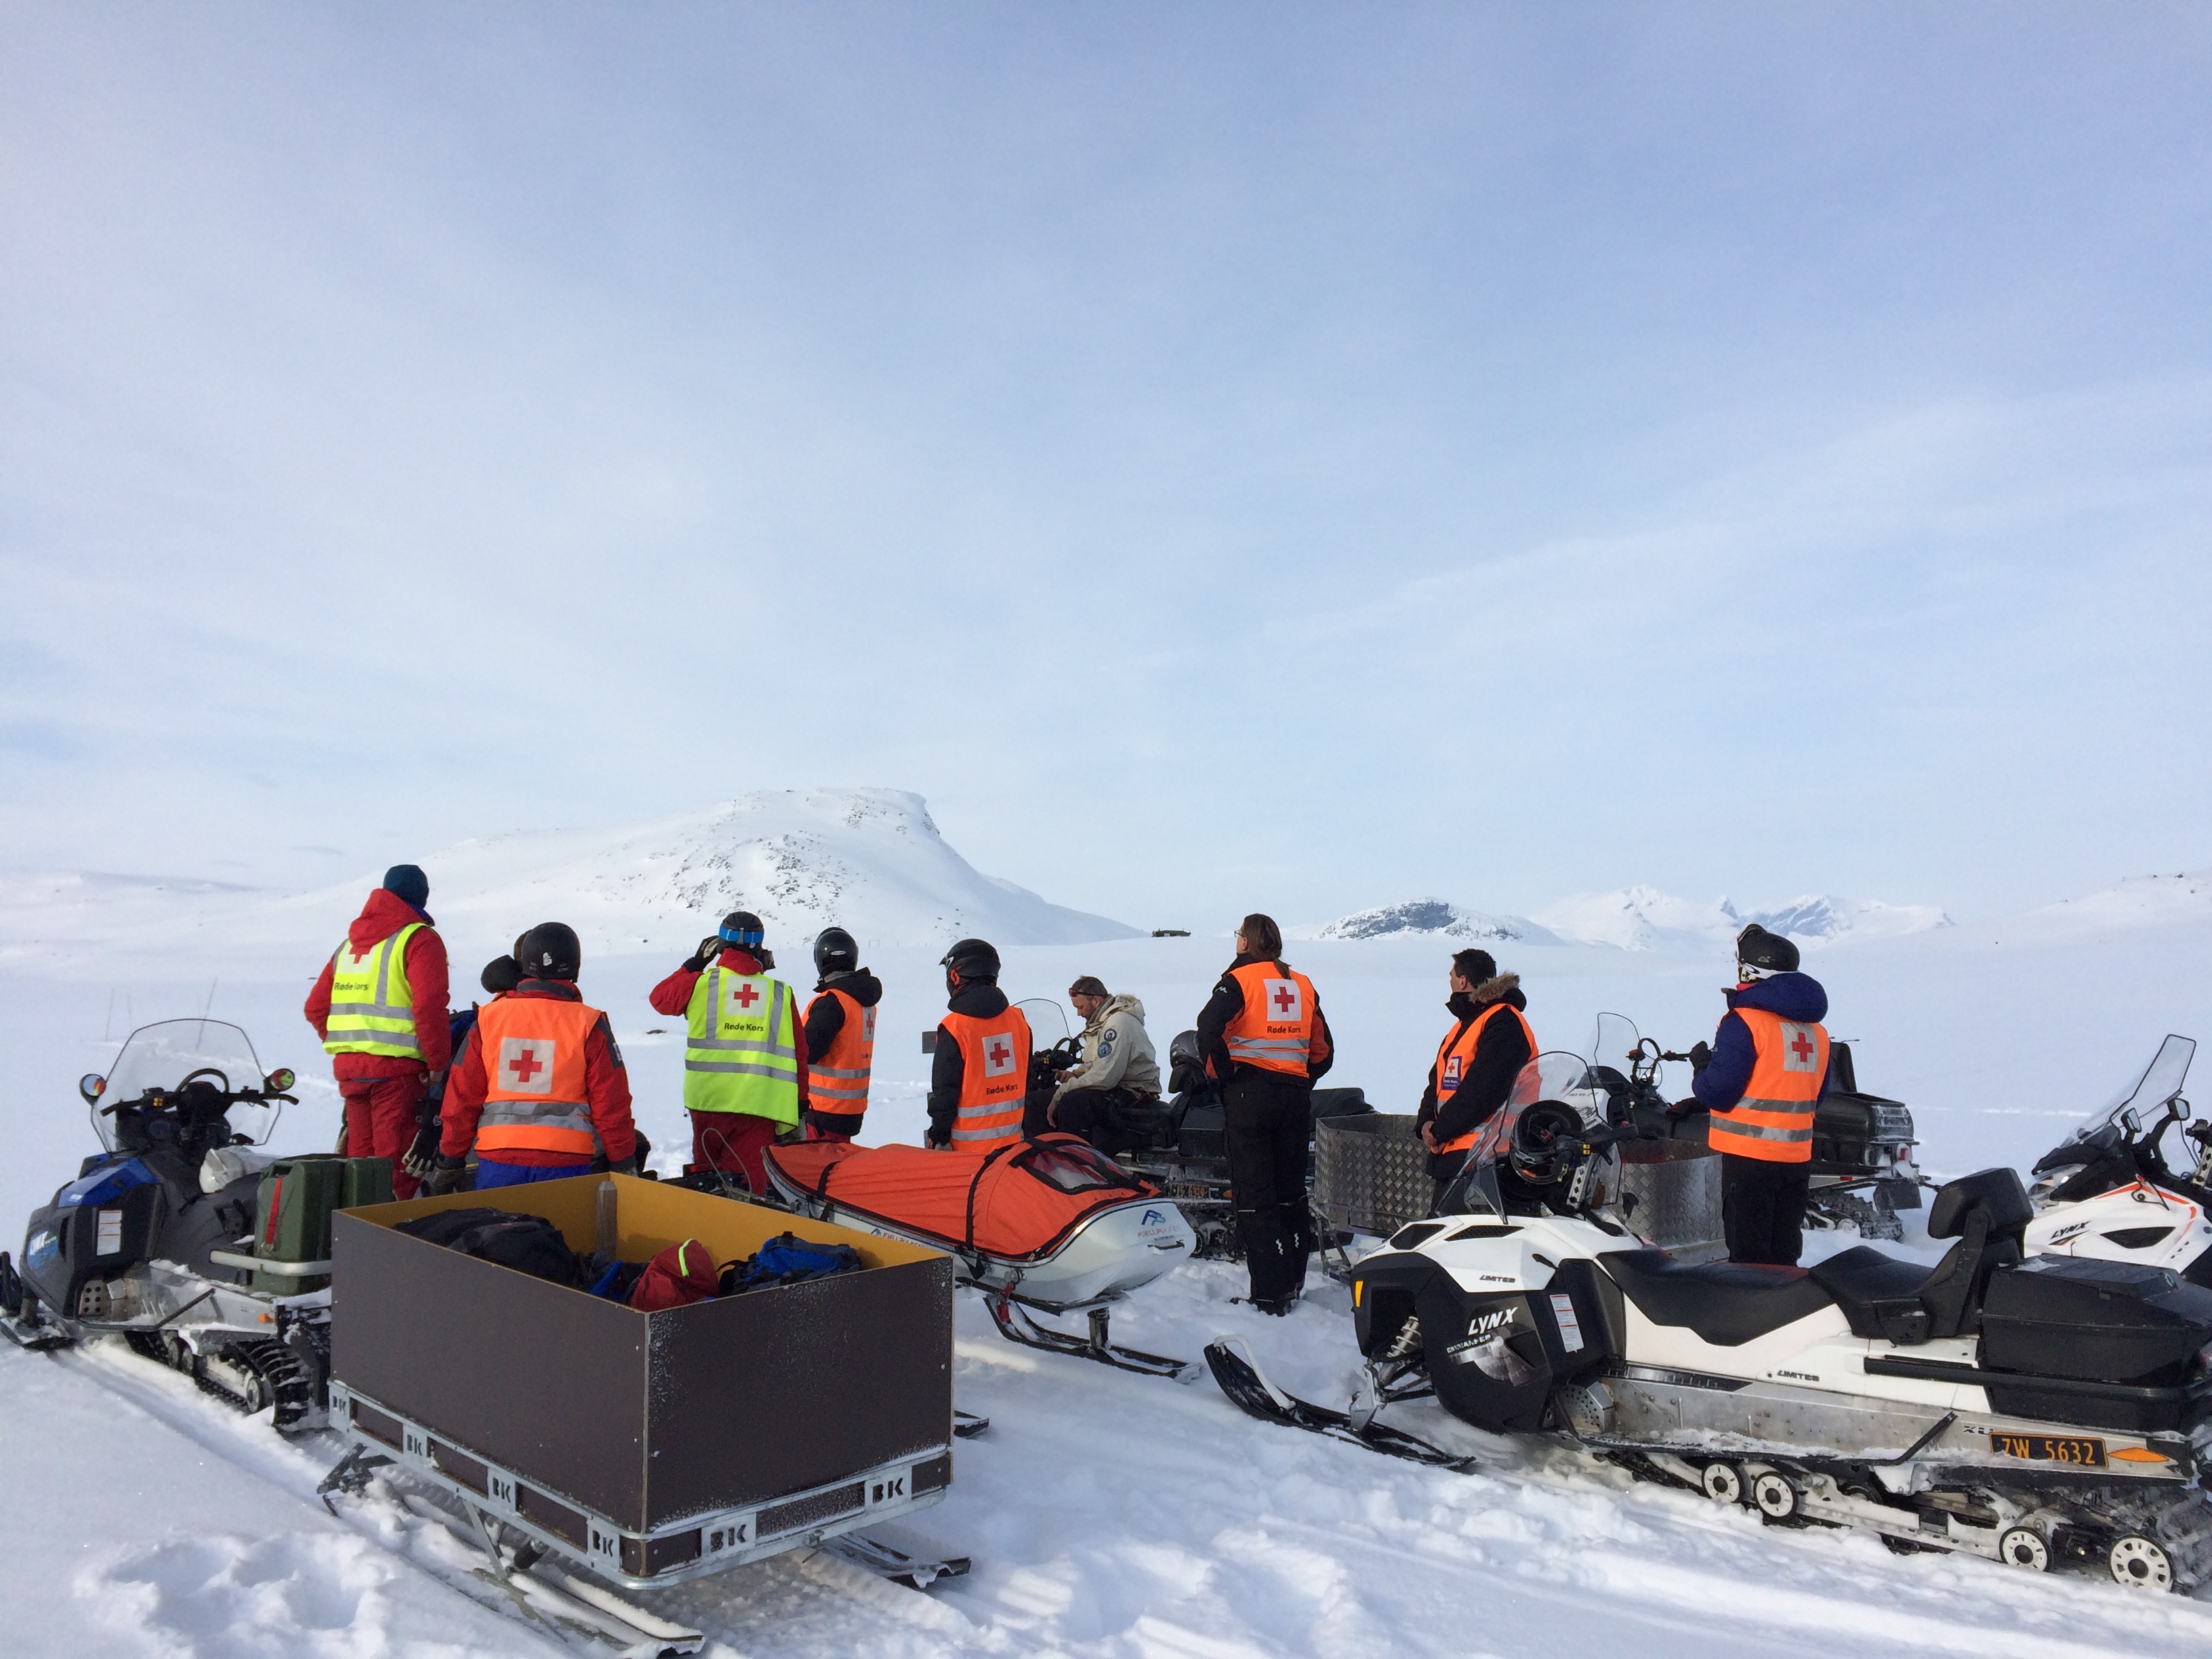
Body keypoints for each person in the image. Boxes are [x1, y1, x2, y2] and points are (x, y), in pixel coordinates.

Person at [430, 922, 638, 1191]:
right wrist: (623, 1163)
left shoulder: (488, 1019)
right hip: (566, 1164)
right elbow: (611, 1103)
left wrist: (450, 1159)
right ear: (575, 966)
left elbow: (462, 1097)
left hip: (498, 1160)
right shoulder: (589, 1024)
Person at [1195, 913, 1334, 1314]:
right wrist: (1299, 1079)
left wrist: (1224, 1076)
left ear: (1245, 942)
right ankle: (1292, 1282)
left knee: (1255, 1196)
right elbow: (1323, 1051)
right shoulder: (1302, 984)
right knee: (1291, 1194)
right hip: (1294, 1098)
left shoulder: (1238, 981)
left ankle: (1270, 1295)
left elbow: (1207, 1027)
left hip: (1250, 1096)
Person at [1674, 923, 1831, 1267]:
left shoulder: (1743, 1022)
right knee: (1784, 1255)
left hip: (1749, 1161)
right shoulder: (1817, 1032)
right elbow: (1815, 1096)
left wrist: (1701, 1067)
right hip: (1796, 1160)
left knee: (1749, 1260)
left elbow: (1719, 1092)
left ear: (1750, 971)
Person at [303, 863, 452, 1200]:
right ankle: (392, 1229)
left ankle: (352, 1228)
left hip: (352, 1074)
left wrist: (350, 1046)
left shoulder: (348, 946)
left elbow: (315, 1008)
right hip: (398, 1075)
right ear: (423, 897)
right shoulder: (419, 940)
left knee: (359, 1169)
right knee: (395, 1169)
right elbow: (429, 1006)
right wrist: (437, 1064)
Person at [649, 911, 809, 1193]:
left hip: (708, 1103)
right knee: (749, 1189)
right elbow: (800, 1053)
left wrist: (694, 964)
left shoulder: (700, 984)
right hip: (759, 1106)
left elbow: (660, 999)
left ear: (720, 944)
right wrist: (800, 1104)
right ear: (759, 946)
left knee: (708, 1185)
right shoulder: (780, 993)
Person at [1414, 949, 1536, 1212]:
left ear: (1463, 981)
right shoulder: (1462, 1027)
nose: (1449, 980)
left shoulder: (1504, 1021)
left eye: (1451, 975)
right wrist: (1425, 1123)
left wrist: (1439, 1130)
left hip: (1492, 1158)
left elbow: (1484, 1090)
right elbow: (1437, 1083)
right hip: (1457, 1155)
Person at [926, 938, 1031, 1153]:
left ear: (956, 975)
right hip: (1013, 1146)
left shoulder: (954, 1027)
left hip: (965, 1151)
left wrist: (938, 1134)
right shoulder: (1018, 1019)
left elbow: (945, 1092)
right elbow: (1028, 1078)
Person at [1048, 975, 1162, 1155]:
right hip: (1116, 1088)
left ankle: (1077, 1162)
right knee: (1040, 1100)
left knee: (1074, 1102)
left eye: (1080, 1007)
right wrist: (1075, 1075)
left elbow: (1105, 1076)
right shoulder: (1101, 1023)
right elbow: (1098, 1062)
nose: (1079, 1014)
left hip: (1133, 1094)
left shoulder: (1118, 1024)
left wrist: (1061, 1093)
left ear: (1096, 1000)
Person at [801, 926, 881, 1143]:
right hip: (850, 1108)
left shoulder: (832, 1002)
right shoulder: (863, 1001)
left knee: (815, 1162)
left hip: (822, 1109)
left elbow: (807, 1051)